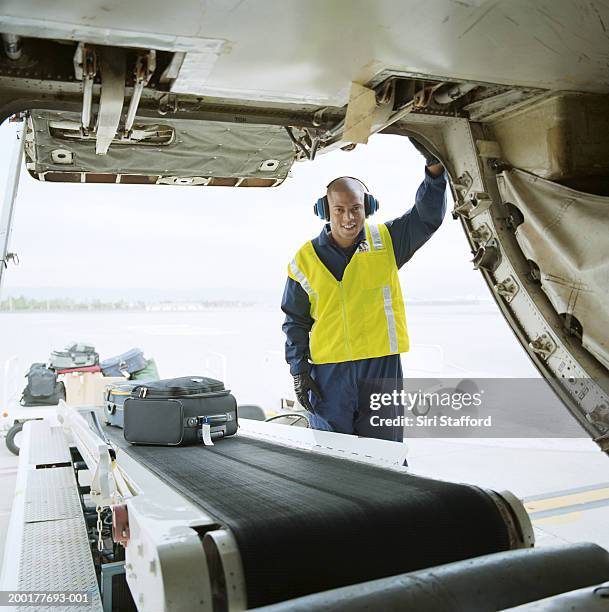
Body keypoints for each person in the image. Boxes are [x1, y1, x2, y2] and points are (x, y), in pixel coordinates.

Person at [281, 140, 446, 441]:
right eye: (339, 209)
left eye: (356, 208)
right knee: (333, 456)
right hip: (328, 375)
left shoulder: (388, 242)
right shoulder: (303, 261)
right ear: (324, 210)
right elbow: (295, 322)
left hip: (380, 368)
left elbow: (426, 217)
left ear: (367, 207)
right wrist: (299, 371)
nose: (349, 218)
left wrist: (434, 170)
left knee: (387, 453)